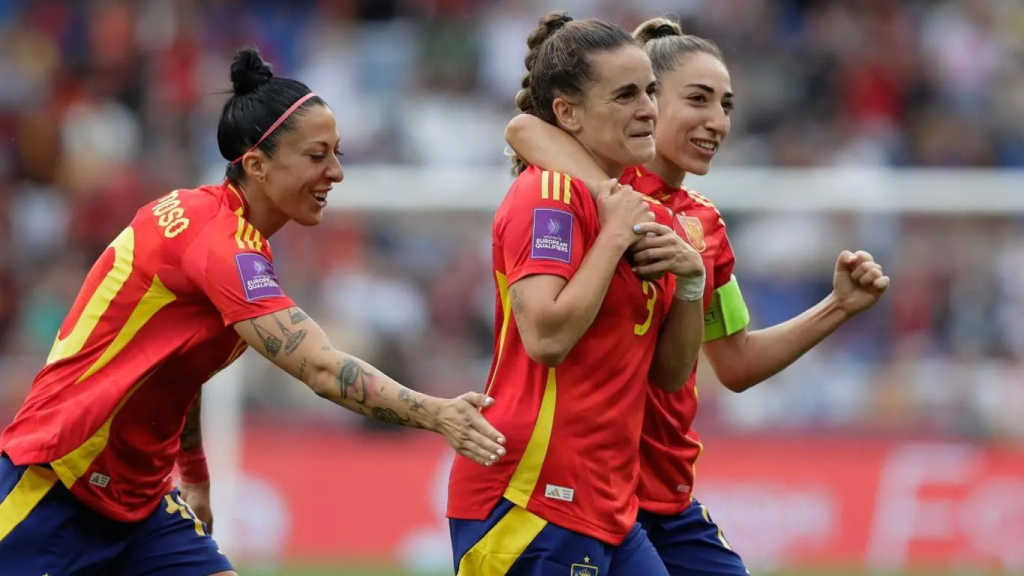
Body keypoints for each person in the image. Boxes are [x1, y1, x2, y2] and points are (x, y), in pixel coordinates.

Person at [0, 46, 506, 576]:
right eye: (317, 156)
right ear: (257, 164)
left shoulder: (215, 227)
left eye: (337, 153)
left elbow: (176, 362)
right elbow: (320, 367)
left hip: (141, 502)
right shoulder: (221, 245)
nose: (336, 172)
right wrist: (439, 414)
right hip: (60, 481)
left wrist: (193, 473)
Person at [505, 17, 890, 576]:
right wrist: (623, 205)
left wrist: (837, 307)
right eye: (698, 100)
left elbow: (731, 362)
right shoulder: (598, 187)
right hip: (584, 489)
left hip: (668, 496)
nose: (718, 122)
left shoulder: (704, 225)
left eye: (726, 105)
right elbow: (523, 128)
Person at [447, 11, 708, 576]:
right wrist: (614, 235)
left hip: (607, 503)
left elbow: (668, 374)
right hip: (531, 494)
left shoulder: (645, 213)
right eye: (625, 96)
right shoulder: (548, 193)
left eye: (650, 91)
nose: (647, 109)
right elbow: (545, 336)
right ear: (567, 112)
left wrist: (692, 284)